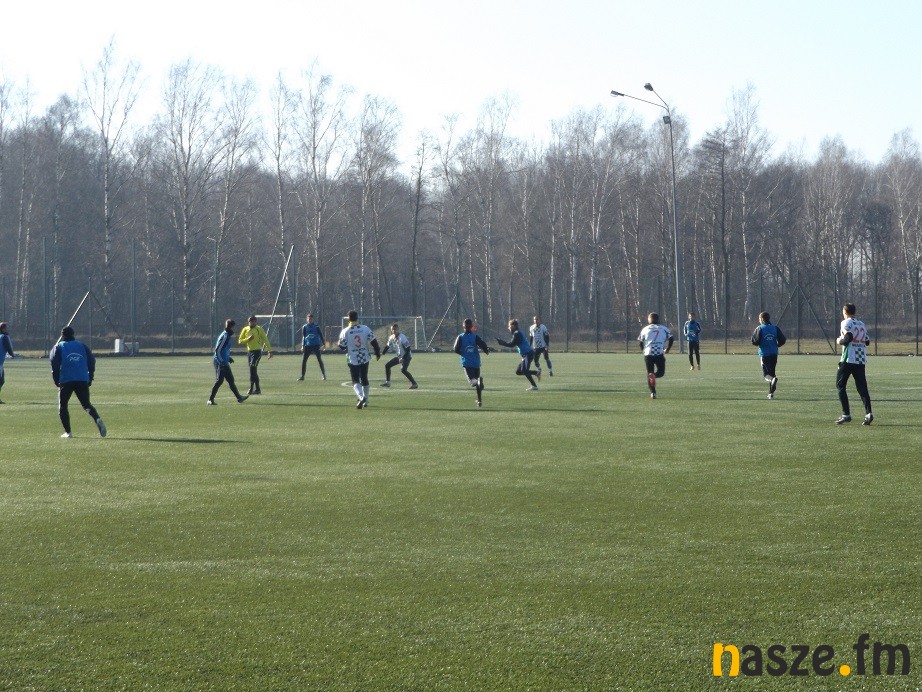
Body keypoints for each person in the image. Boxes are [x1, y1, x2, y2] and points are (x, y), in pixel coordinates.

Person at [49, 326, 106, 438]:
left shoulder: (59, 347)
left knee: (63, 406)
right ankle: (97, 418)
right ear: (73, 334)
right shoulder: (82, 345)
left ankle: (68, 432)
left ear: (62, 335)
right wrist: (90, 376)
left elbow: (54, 364)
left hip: (66, 380)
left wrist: (56, 380)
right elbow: (92, 361)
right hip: (82, 379)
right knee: (86, 404)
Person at [835, 303, 873, 425]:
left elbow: (848, 339)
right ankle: (868, 413)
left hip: (848, 359)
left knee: (840, 385)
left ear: (845, 311)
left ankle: (846, 414)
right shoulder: (861, 324)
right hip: (860, 359)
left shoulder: (845, 323)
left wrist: (840, 341)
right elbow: (867, 342)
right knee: (862, 388)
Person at [337, 310, 381, 409]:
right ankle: (366, 401)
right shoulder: (365, 328)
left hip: (353, 358)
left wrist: (339, 344)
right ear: (357, 318)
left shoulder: (345, 331)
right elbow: (374, 341)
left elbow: (342, 347)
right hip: (364, 356)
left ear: (349, 319)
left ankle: (361, 397)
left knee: (355, 379)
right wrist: (377, 353)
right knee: (364, 377)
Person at [209, 319, 248, 405]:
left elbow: (224, 349)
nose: (234, 329)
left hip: (224, 361)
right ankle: (210, 400)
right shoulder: (225, 336)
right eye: (233, 327)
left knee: (230, 380)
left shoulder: (227, 335)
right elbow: (218, 350)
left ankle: (239, 398)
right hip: (220, 362)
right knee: (219, 381)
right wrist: (221, 361)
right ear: (231, 327)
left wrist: (228, 358)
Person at [454, 318, 490, 407]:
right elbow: (483, 344)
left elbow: (455, 349)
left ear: (463, 326)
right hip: (476, 362)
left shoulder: (461, 337)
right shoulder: (475, 336)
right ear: (471, 327)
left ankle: (479, 383)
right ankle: (479, 400)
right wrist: (486, 351)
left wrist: (462, 353)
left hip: (467, 363)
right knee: (477, 383)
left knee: (473, 381)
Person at [496, 319, 540, 390]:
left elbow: (512, 344)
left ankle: (534, 386)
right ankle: (536, 372)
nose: (508, 328)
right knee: (518, 371)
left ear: (513, 326)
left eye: (509, 326)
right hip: (526, 354)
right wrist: (503, 343)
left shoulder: (517, 333)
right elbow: (512, 343)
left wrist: (502, 343)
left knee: (524, 370)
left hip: (528, 354)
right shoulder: (517, 332)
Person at [751, 312, 786, 399]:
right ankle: (771, 393)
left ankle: (772, 382)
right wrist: (776, 345)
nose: (759, 320)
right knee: (772, 373)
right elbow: (783, 340)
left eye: (759, 319)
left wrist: (761, 343)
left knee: (766, 375)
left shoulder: (760, 328)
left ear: (762, 319)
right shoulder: (775, 328)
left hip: (764, 354)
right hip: (774, 353)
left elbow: (754, 341)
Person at [638, 313, 674, 399]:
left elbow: (640, 342)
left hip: (648, 354)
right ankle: (654, 376)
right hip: (659, 353)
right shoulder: (663, 328)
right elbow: (671, 338)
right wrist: (668, 349)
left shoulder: (645, 329)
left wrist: (643, 351)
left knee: (649, 373)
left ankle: (653, 393)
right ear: (658, 319)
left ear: (649, 319)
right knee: (661, 372)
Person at [238, 315, 272, 395]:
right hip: (249, 352)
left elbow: (265, 339)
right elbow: (240, 341)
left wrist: (269, 351)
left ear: (256, 322)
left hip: (257, 352)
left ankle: (251, 387)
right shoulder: (245, 329)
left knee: (252, 367)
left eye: (254, 321)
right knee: (253, 370)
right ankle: (257, 389)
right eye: (251, 321)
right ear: (248, 322)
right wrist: (248, 339)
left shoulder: (259, 329)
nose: (253, 323)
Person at [381, 323, 418, 389]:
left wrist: (403, 358)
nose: (394, 331)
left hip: (407, 356)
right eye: (392, 329)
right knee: (387, 365)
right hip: (399, 356)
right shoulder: (391, 337)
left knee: (403, 370)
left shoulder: (402, 337)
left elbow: (408, 349)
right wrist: (382, 353)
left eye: (395, 329)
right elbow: (387, 346)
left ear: (398, 329)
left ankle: (414, 384)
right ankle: (388, 383)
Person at [298, 313, 326, 382]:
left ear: (313, 319)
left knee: (319, 360)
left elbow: (321, 335)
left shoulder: (316, 326)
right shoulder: (304, 327)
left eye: (311, 319)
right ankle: (302, 376)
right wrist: (303, 346)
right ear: (307, 319)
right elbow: (304, 337)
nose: (310, 320)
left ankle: (323, 375)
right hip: (308, 346)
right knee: (304, 360)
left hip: (316, 345)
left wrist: (324, 344)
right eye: (309, 319)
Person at [0, 321, 15, 403]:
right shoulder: (4, 337)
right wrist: (12, 355)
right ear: (3, 329)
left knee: (2, 380)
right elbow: (8, 348)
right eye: (6, 328)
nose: (7, 329)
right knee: (1, 380)